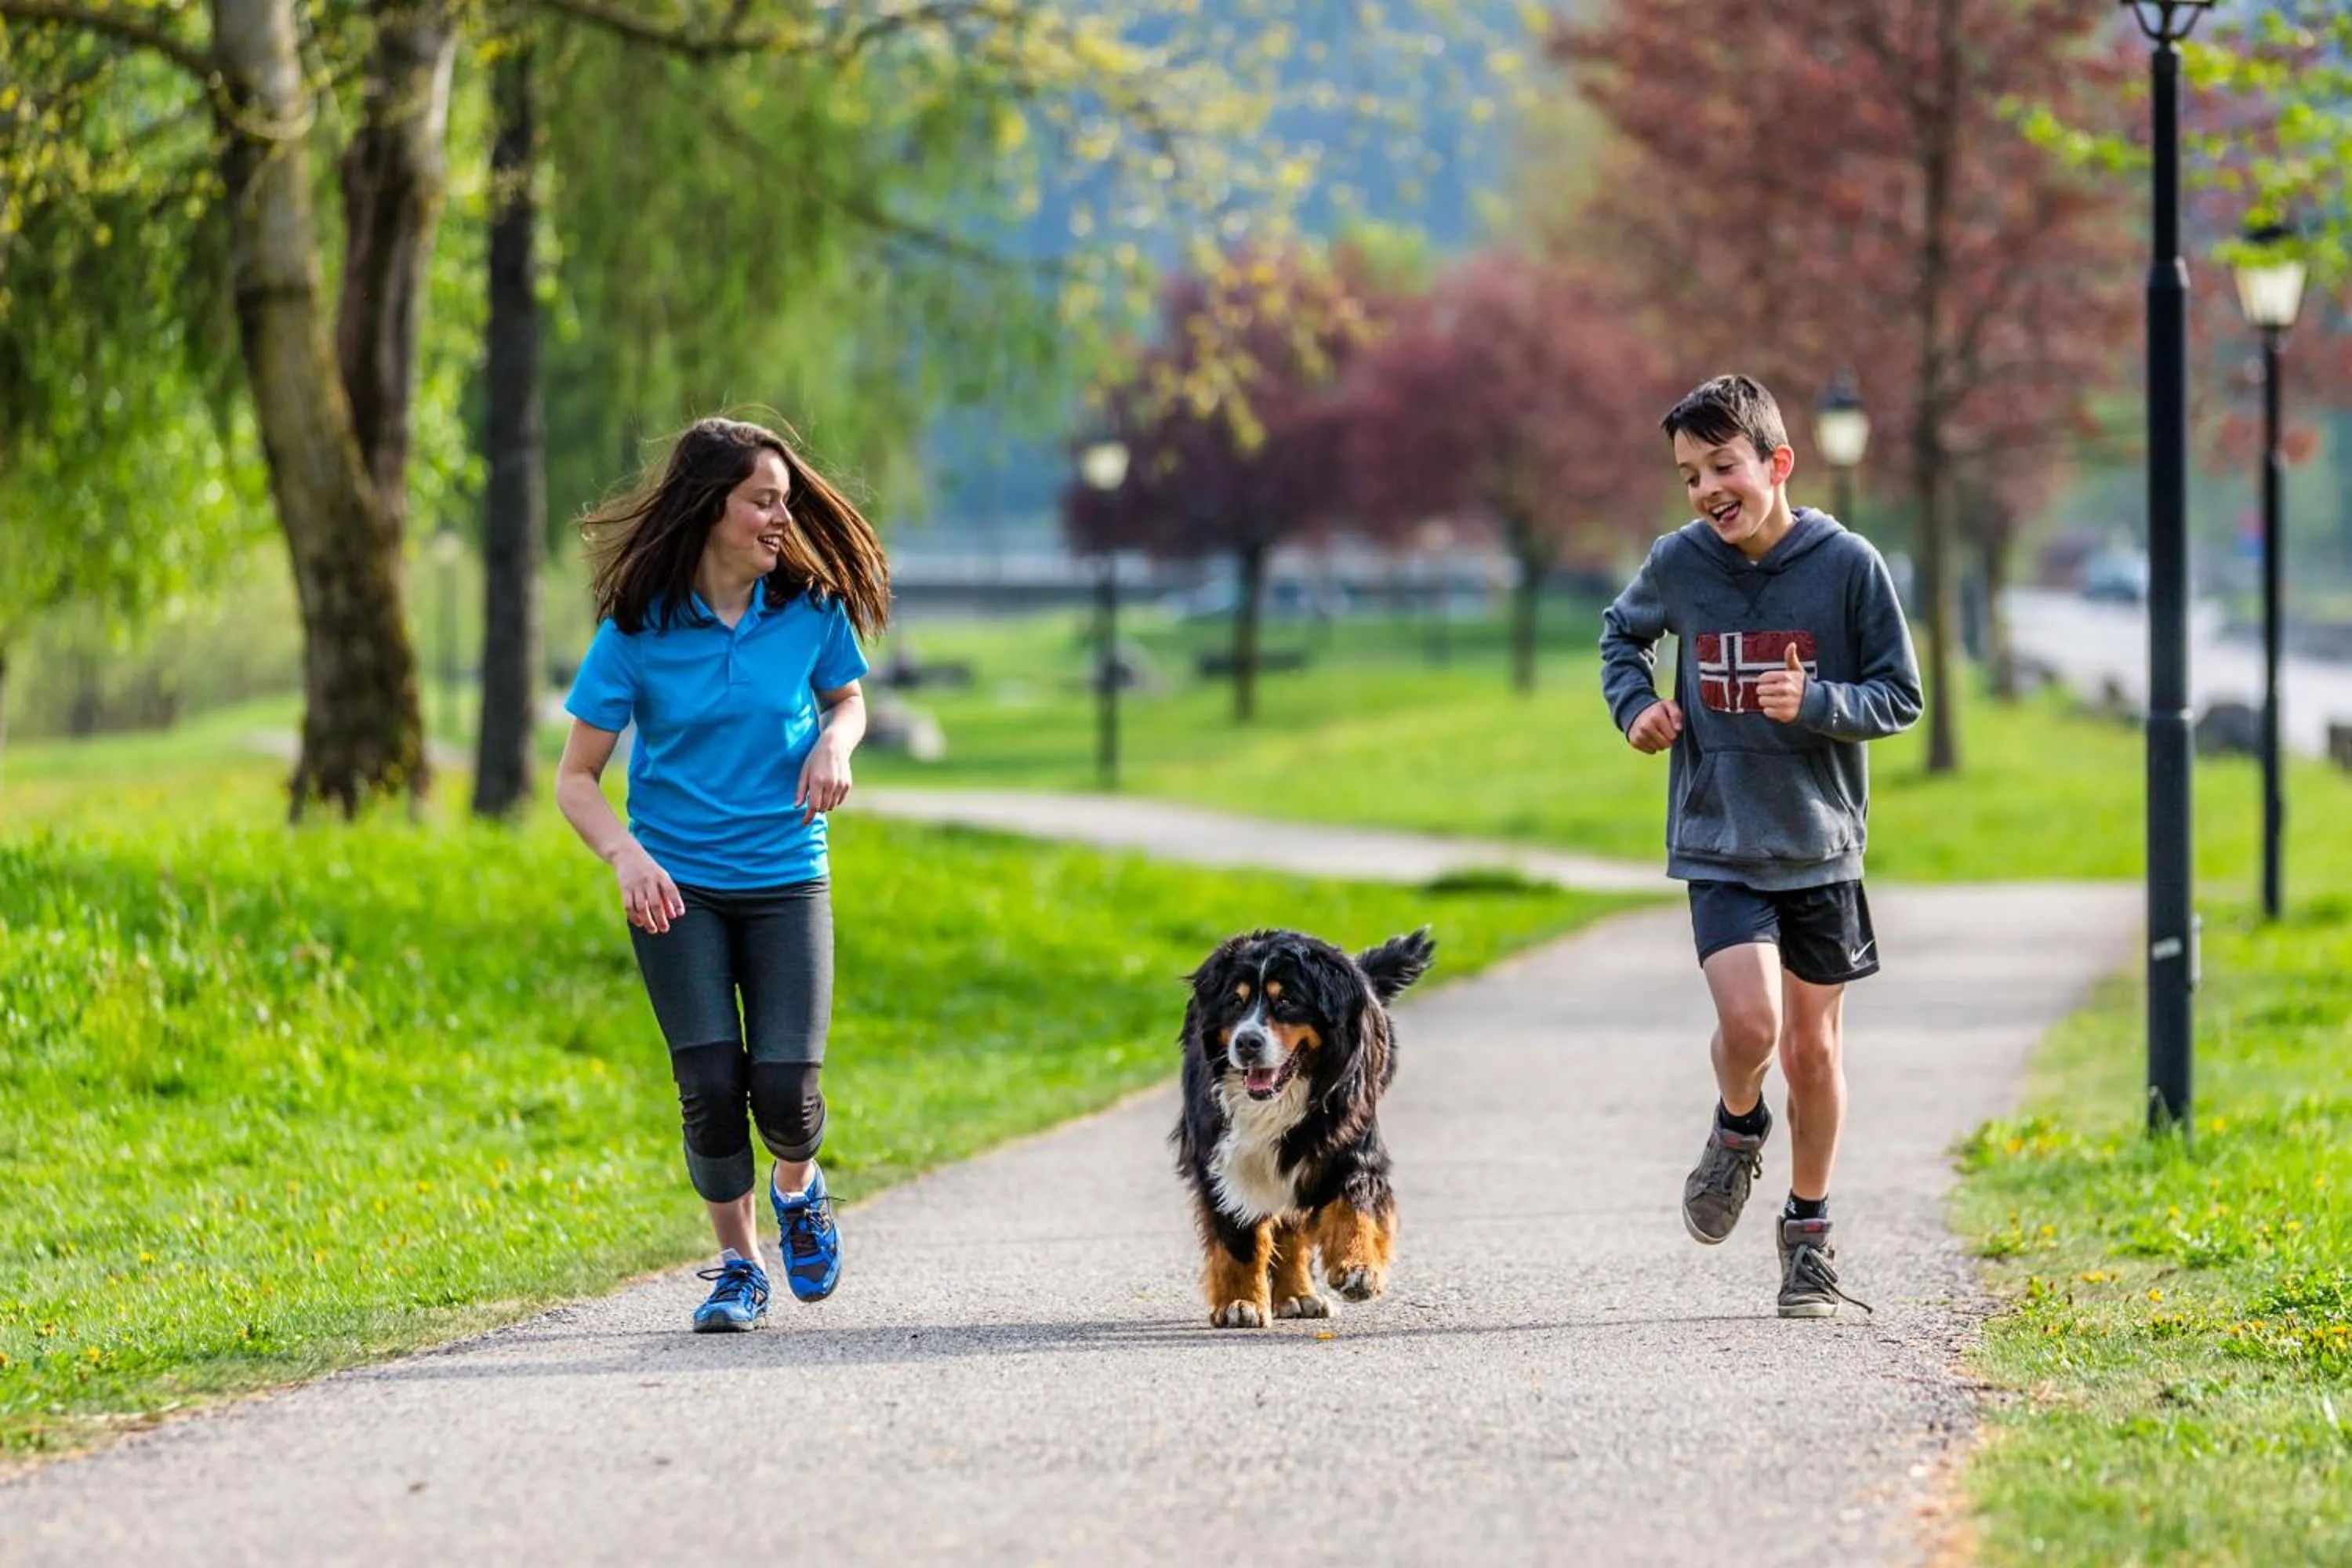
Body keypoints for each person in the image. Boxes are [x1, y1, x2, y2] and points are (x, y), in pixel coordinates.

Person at [554, 415, 891, 1332]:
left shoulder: (807, 610)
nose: (782, 520)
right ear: (713, 509)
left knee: (786, 1097)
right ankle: (739, 1266)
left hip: (787, 875)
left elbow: (850, 700)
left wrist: (836, 741)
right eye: (764, 503)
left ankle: (799, 1184)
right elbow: (575, 778)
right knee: (708, 1086)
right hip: (679, 889)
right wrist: (626, 854)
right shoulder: (638, 629)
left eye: (785, 501)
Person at [1599, 374, 1923, 1318]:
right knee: (1752, 1029)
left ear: (1777, 464)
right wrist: (1639, 708)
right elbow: (1622, 636)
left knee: (1813, 1052)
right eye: (1690, 474)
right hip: (1720, 834)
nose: (1706, 489)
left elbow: (1900, 696)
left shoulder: (1849, 565)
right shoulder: (1680, 561)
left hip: (1821, 847)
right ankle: (1739, 1125)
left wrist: (1818, 702)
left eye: (1723, 465)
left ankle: (1809, 1234)